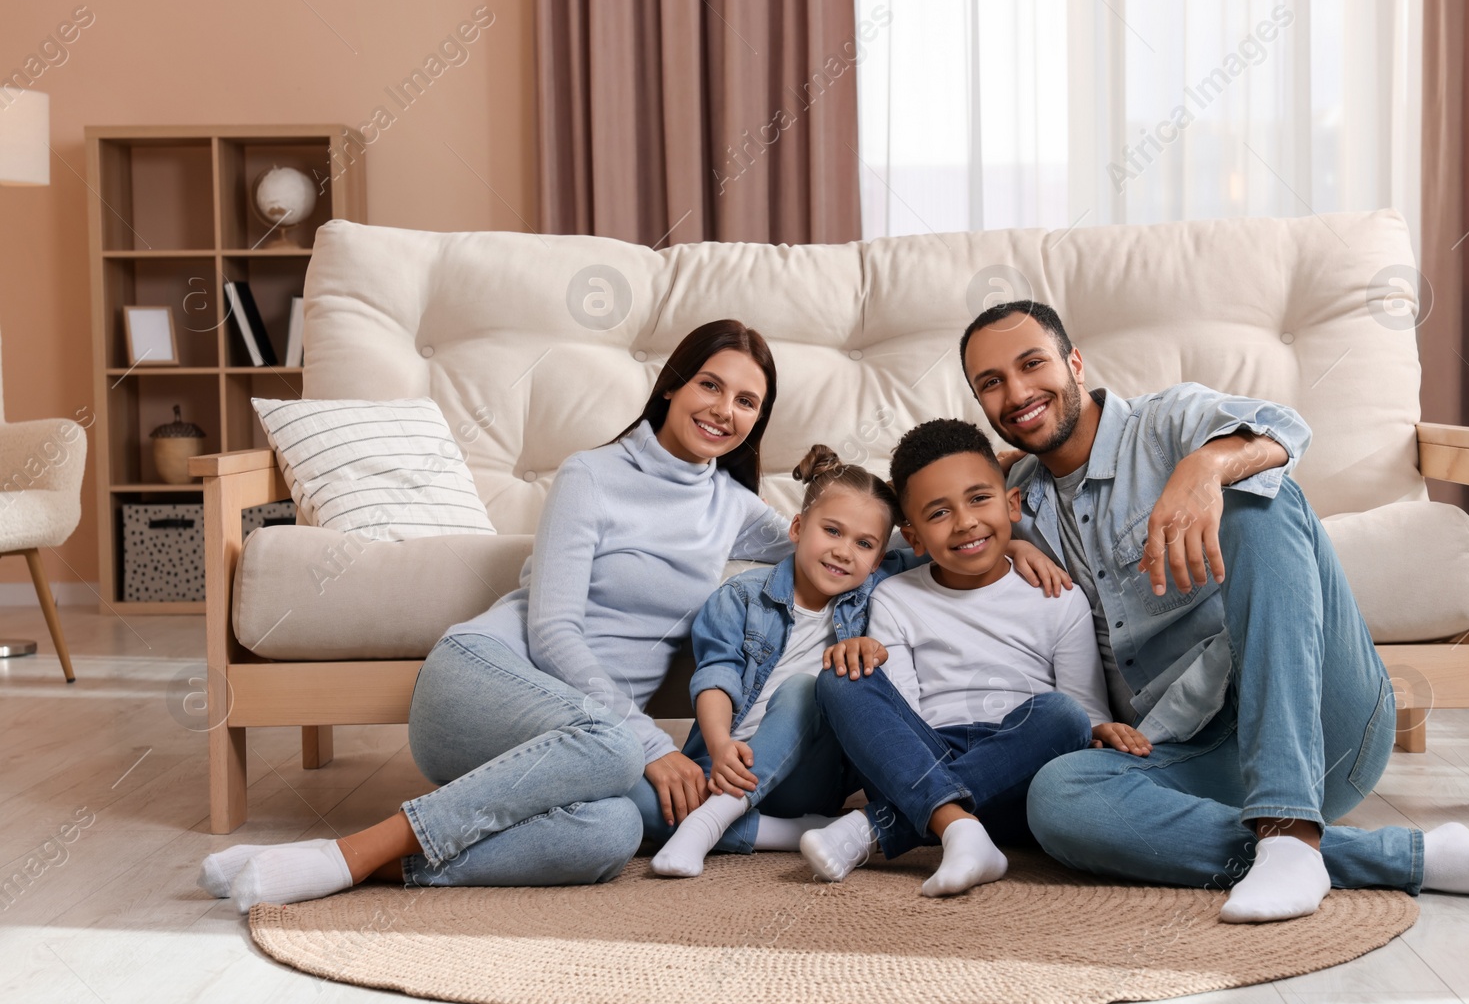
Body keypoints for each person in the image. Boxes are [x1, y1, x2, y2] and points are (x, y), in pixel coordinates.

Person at [959, 299, 1469, 922]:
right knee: (1057, 799)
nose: (1018, 392)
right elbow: (910, 530)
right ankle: (1408, 858)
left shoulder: (1165, 422)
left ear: (1074, 363)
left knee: (1259, 498)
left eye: (1032, 364)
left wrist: (1206, 467)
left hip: (1327, 728)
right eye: (992, 383)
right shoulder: (1008, 501)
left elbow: (1284, 431)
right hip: (1195, 752)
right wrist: (999, 543)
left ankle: (1291, 827)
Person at [199, 319, 796, 911]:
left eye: (747, 402)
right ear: (672, 386)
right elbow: (552, 629)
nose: (725, 410)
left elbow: (835, 549)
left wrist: (888, 525)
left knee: (611, 834)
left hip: (583, 740)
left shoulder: (733, 507)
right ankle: (349, 855)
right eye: (710, 386)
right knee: (617, 750)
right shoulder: (591, 474)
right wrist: (646, 742)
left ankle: (358, 863)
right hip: (481, 679)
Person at [650, 443, 1070, 876]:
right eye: (831, 531)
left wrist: (1015, 548)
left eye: (864, 544)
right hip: (727, 762)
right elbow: (716, 676)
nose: (844, 552)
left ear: (877, 560)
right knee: (645, 807)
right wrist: (720, 744)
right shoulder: (740, 597)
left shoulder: (878, 587)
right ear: (797, 526)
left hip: (810, 775)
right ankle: (788, 833)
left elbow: (955, 546)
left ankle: (711, 821)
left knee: (807, 687)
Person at [801, 419, 1149, 898]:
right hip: (922, 754)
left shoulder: (1055, 594)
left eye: (979, 499)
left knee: (1062, 715)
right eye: (938, 513)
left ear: (1012, 503)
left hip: (1018, 769)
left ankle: (880, 828)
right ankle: (958, 827)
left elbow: (1082, 710)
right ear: (914, 537)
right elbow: (903, 719)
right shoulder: (897, 597)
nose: (965, 522)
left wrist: (1094, 726)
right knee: (839, 678)